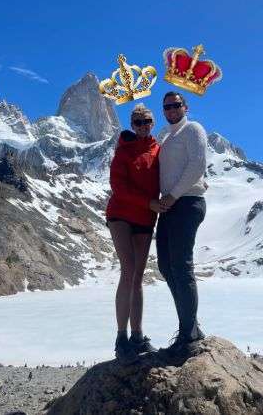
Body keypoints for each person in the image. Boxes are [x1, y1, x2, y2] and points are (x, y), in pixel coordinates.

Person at [105, 103, 162, 362]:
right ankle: (121, 338)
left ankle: (137, 335)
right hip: (121, 214)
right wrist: (148, 203)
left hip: (145, 217)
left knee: (137, 276)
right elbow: (118, 186)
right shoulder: (123, 151)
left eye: (147, 121)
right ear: (132, 125)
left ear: (153, 122)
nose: (143, 126)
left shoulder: (158, 149)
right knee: (128, 270)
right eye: (138, 122)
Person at [155, 91, 209, 356]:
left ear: (185, 107)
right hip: (168, 207)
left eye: (176, 105)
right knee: (166, 265)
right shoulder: (164, 136)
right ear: (163, 110)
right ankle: (190, 326)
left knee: (181, 265)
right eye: (167, 106)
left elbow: (198, 164)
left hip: (186, 202)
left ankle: (188, 334)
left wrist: (173, 196)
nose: (172, 109)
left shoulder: (193, 129)